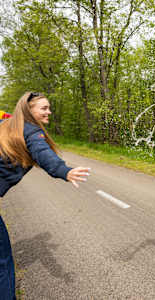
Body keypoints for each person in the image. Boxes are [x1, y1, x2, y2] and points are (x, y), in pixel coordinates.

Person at [0, 92, 91, 299]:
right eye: (44, 108)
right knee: (2, 263)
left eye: (49, 107)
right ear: (28, 110)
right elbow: (43, 153)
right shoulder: (31, 131)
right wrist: (64, 170)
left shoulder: (7, 126)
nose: (49, 112)